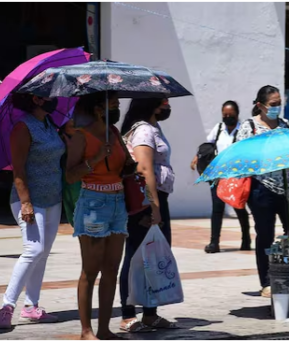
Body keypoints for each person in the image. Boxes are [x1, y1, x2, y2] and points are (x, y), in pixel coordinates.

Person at [0, 93, 65, 329]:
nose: (53, 98)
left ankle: (31, 306)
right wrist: (26, 202)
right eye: (48, 95)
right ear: (36, 99)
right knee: (33, 250)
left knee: (43, 253)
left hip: (53, 198)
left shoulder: (50, 124)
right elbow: (18, 168)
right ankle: (7, 306)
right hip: (29, 200)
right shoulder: (23, 127)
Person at [65, 91, 129, 340]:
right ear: (98, 109)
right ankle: (86, 330)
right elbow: (70, 175)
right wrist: (95, 159)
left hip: (118, 202)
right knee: (90, 270)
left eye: (118, 104)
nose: (117, 108)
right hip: (93, 202)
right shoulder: (82, 137)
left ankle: (104, 328)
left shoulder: (114, 133)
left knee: (112, 269)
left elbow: (121, 166)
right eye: (113, 104)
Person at [236, 85, 289, 298]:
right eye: (273, 105)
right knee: (265, 235)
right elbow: (241, 157)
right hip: (262, 188)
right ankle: (266, 281)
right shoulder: (249, 127)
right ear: (260, 105)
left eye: (279, 104)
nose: (277, 108)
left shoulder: (285, 124)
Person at [118, 98, 179, 332]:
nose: (167, 106)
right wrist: (153, 208)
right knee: (135, 257)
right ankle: (127, 315)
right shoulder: (143, 130)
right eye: (163, 102)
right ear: (151, 104)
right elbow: (144, 170)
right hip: (146, 200)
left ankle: (150, 315)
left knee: (154, 258)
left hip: (157, 199)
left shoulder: (153, 127)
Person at [190, 100, 251, 253]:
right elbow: (207, 145)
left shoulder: (243, 130)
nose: (227, 117)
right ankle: (214, 242)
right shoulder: (218, 129)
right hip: (218, 175)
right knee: (217, 209)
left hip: (236, 176)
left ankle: (246, 239)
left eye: (231, 114)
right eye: (225, 114)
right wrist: (197, 157)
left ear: (237, 114)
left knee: (238, 207)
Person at [60, 118, 82, 228]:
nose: (77, 129)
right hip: (67, 181)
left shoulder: (82, 138)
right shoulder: (60, 140)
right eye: (72, 126)